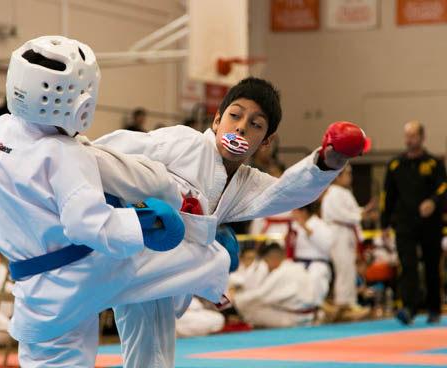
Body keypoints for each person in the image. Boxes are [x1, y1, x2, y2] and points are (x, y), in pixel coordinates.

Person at [94, 84, 364, 366]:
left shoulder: (245, 184)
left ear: (267, 140)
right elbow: (110, 152)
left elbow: (287, 191)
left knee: (153, 356)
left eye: (255, 124)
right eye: (235, 116)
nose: (242, 128)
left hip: (158, 278)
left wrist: (325, 162)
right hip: (115, 247)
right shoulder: (184, 143)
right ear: (216, 120)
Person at [0, 35, 194, 368]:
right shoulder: (65, 154)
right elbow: (88, 225)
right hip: (66, 283)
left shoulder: (2, 129)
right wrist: (144, 223)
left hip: (31, 281)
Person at [381, 120, 447, 325]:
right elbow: (387, 196)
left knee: (430, 265)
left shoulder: (434, 163)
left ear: (422, 138)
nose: (410, 140)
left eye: (414, 136)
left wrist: (433, 202)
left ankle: (434, 308)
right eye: (407, 136)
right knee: (407, 265)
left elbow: (444, 187)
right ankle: (408, 308)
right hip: (405, 223)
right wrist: (384, 224)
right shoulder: (395, 165)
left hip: (430, 223)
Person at [321, 165, 373, 320]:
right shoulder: (332, 193)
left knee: (349, 269)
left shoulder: (344, 193)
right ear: (337, 176)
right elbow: (341, 214)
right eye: (347, 173)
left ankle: (350, 303)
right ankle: (343, 304)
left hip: (347, 233)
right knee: (344, 269)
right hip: (338, 234)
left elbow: (353, 213)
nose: (350, 176)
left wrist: (362, 212)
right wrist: (360, 216)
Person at [231, 243, 317, 328]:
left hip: (294, 319)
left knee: (251, 310)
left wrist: (236, 299)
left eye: (267, 262)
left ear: (272, 259)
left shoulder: (280, 272)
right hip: (307, 316)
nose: (267, 266)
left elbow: (260, 295)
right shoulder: (297, 267)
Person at [291, 202, 333, 307]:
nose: (292, 214)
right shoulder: (294, 226)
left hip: (317, 264)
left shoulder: (319, 224)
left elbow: (327, 246)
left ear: (303, 211)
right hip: (298, 264)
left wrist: (307, 230)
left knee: (315, 281)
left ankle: (317, 309)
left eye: (294, 211)